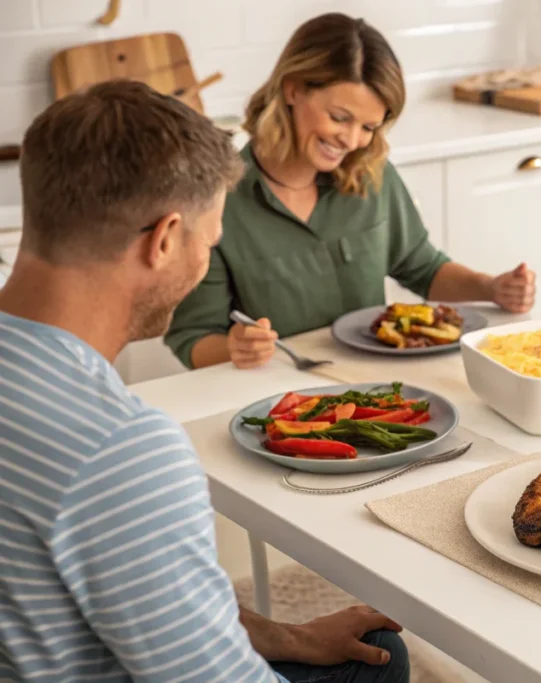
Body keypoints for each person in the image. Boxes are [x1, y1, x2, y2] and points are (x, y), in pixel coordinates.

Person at [0, 81, 408, 683]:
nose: (204, 261)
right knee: (382, 656)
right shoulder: (121, 448)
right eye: (208, 242)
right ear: (165, 239)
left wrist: (284, 635)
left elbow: (124, 586)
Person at [165, 13, 536, 370]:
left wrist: (491, 287)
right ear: (292, 89)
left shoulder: (372, 173)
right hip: (275, 396)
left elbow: (422, 268)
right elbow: (193, 337)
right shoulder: (219, 201)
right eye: (340, 118)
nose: (352, 140)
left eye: (369, 126)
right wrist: (235, 348)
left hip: (375, 387)